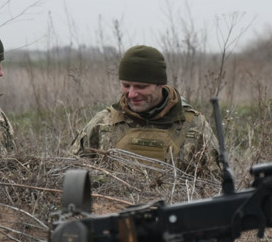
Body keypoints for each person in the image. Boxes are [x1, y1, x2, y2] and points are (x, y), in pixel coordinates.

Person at [71, 45, 221, 176]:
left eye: (141, 87)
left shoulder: (194, 126)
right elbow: (73, 176)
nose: (131, 94)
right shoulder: (103, 123)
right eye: (126, 86)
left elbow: (214, 185)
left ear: (160, 84)